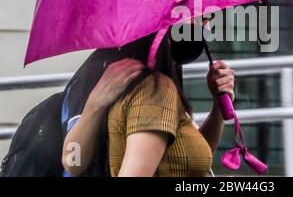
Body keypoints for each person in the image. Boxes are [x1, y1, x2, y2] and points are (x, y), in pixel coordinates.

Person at [61, 21, 235, 177]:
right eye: (201, 17)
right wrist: (94, 104)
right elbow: (73, 162)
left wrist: (218, 109)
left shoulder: (165, 75)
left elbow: (187, 156)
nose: (207, 26)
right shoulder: (152, 87)